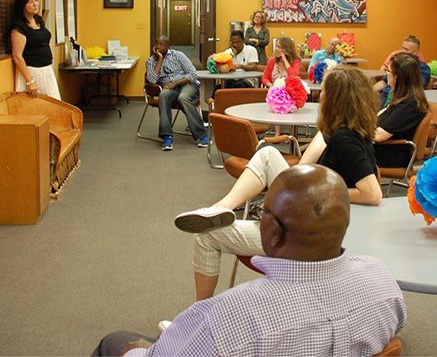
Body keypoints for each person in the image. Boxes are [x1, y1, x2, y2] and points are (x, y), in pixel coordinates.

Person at [92, 165, 407, 357]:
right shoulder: (381, 281)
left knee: (116, 342)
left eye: (261, 213)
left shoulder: (232, 315)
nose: (260, 218)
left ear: (274, 232)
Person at [174, 65, 383, 301]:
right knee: (269, 155)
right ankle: (221, 207)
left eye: (324, 91)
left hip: (308, 234)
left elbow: (373, 194)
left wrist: (325, 194)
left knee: (205, 235)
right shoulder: (346, 132)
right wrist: (325, 129)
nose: (320, 96)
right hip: (314, 214)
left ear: (335, 99)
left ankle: (197, 318)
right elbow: (305, 166)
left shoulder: (345, 139)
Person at [145, 36, 208, 151]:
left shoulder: (178, 55)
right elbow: (152, 80)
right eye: (156, 44)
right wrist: (159, 59)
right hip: (170, 90)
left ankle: (202, 135)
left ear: (168, 47)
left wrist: (175, 83)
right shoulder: (150, 61)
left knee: (183, 98)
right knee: (163, 95)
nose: (158, 47)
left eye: (162, 44)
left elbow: (193, 74)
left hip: (187, 85)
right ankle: (167, 136)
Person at [374, 53, 429, 168]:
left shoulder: (409, 106)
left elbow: (379, 136)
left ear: (397, 77)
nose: (386, 74)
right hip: (383, 148)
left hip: (390, 154)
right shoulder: (401, 97)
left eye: (388, 71)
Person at [9, 0, 61, 100]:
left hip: (46, 70)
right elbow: (17, 56)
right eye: (30, 2)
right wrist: (30, 81)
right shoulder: (18, 28)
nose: (35, 4)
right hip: (32, 71)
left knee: (55, 106)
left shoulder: (38, 21)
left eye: (36, 0)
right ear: (22, 6)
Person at [374, 37, 431, 108]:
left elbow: (416, 87)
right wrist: (369, 91)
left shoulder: (423, 69)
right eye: (402, 48)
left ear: (415, 52)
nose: (402, 51)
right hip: (384, 97)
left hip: (399, 101)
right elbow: (383, 82)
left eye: (406, 49)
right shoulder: (396, 64)